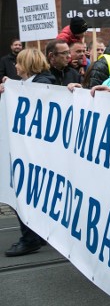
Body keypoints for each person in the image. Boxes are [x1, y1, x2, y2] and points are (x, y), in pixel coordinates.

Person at [2, 48, 56, 257]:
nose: (15, 66)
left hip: (34, 152)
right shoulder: (34, 82)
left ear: (26, 65)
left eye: (18, 63)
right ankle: (37, 233)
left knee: (22, 191)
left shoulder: (43, 84)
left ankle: (30, 238)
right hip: (31, 150)